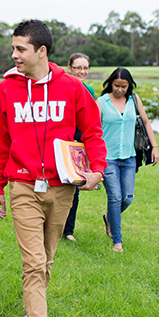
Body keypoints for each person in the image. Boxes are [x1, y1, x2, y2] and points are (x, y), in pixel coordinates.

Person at [0, 20, 107, 317]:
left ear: (41, 51)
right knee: (34, 262)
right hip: (23, 185)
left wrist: (96, 169)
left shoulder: (72, 88)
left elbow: (93, 132)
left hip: (62, 187)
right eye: (14, 48)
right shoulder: (6, 90)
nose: (14, 55)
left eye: (21, 49)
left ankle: (32, 309)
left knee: (47, 259)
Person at [96, 67, 159, 252]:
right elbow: (92, 129)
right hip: (108, 158)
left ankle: (109, 218)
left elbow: (146, 122)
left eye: (124, 86)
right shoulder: (102, 102)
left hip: (129, 157)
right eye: (116, 85)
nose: (120, 90)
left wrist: (154, 147)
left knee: (127, 198)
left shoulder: (134, 99)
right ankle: (117, 241)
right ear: (111, 83)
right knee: (115, 197)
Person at [63, 52, 96, 242]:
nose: (82, 71)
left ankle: (68, 230)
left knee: (75, 185)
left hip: (79, 141)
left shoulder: (90, 90)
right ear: (70, 68)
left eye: (85, 68)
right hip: (61, 137)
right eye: (78, 68)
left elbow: (90, 119)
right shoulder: (62, 86)